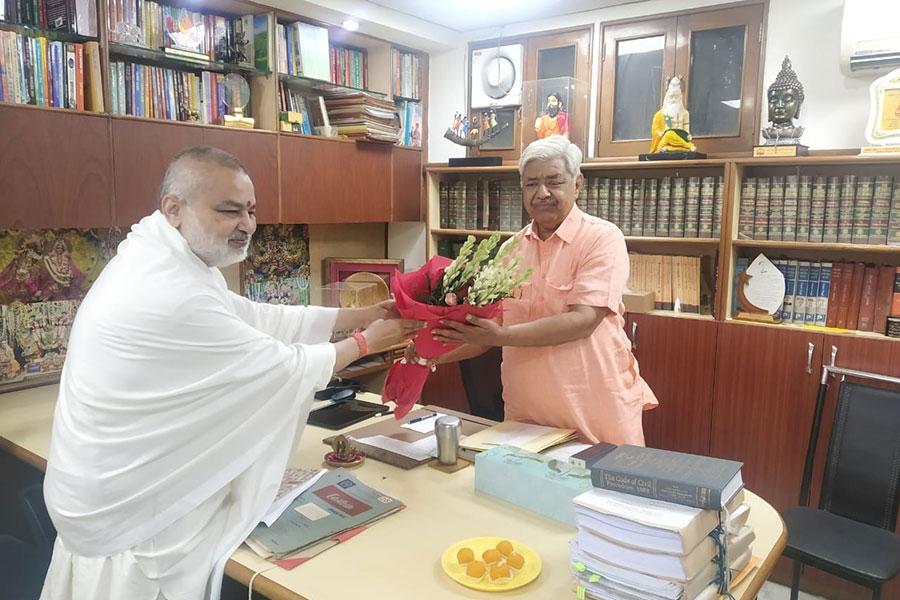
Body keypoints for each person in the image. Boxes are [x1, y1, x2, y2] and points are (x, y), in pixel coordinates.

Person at [40, 146, 422, 600]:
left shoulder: (165, 257)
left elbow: (248, 316)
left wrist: (354, 317)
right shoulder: (166, 286)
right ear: (174, 209)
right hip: (132, 524)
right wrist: (369, 342)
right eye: (229, 210)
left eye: (251, 210)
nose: (247, 224)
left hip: (103, 495)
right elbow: (282, 368)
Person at [422, 135, 658, 445]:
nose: (542, 193)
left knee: (601, 493)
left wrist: (499, 336)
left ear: (578, 184)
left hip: (595, 413)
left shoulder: (603, 239)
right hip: (526, 416)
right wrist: (428, 354)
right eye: (531, 183)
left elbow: (583, 321)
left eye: (554, 181)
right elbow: (486, 333)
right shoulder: (510, 250)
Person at [649, 76, 696, 153]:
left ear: (680, 98)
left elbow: (686, 127)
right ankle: (687, 147)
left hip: (680, 136)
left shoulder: (685, 113)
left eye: (676, 97)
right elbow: (655, 129)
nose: (674, 100)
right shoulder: (660, 114)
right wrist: (660, 133)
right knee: (662, 144)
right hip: (666, 137)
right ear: (667, 98)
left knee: (669, 136)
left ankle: (686, 146)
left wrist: (688, 135)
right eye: (671, 97)